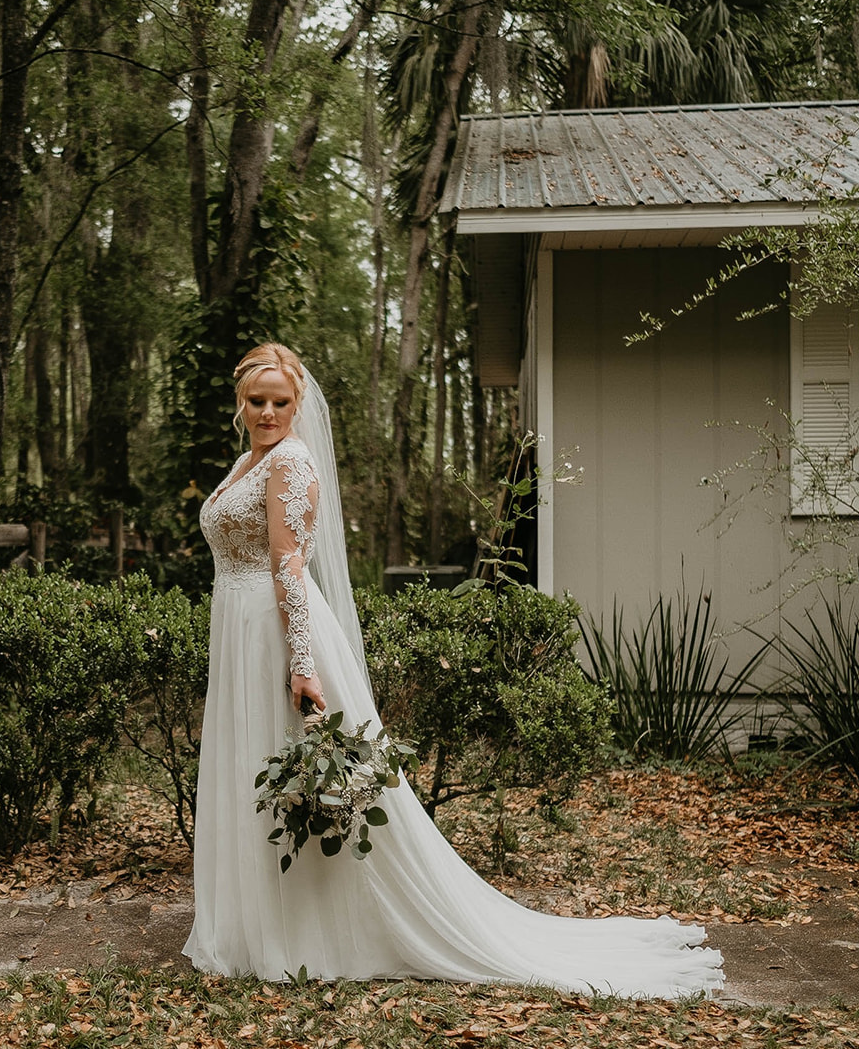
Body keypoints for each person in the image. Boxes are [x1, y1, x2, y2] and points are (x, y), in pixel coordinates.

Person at [181, 341, 725, 998]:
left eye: (281, 401)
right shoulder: (248, 458)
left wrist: (302, 664)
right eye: (256, 400)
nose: (268, 411)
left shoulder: (291, 463)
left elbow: (290, 564)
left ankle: (309, 928)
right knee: (252, 770)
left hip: (276, 634)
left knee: (305, 778)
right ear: (239, 402)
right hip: (238, 631)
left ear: (299, 403)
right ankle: (252, 921)